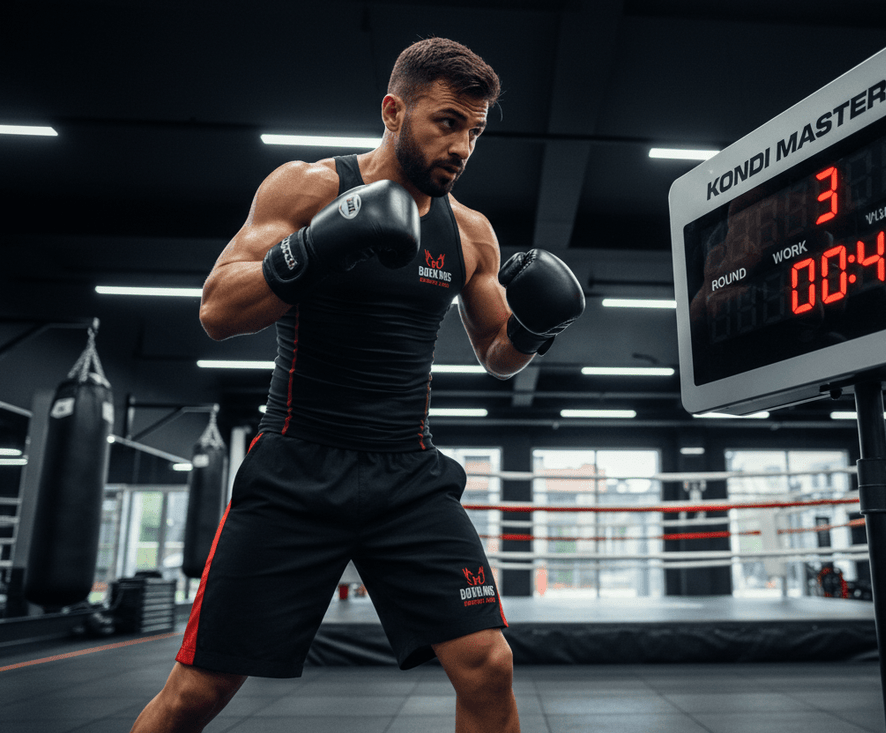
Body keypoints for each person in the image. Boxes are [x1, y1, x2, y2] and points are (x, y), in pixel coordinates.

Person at [130, 37, 584, 733]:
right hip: (295, 469)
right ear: (394, 111)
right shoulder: (309, 188)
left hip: (408, 476)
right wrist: (313, 247)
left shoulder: (470, 232)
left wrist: (533, 327)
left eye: (475, 130)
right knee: (201, 688)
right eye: (446, 122)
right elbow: (218, 309)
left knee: (488, 664)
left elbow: (497, 352)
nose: (462, 146)